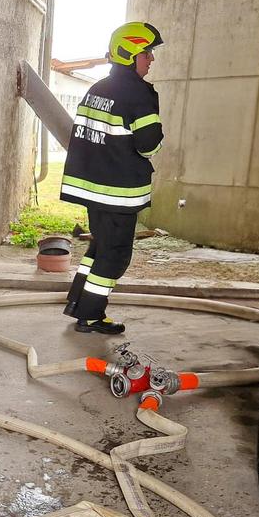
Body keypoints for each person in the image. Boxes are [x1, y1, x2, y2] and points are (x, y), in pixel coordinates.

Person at [61, 22, 164, 335]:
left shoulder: (99, 88)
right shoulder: (137, 93)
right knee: (115, 256)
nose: (151, 59)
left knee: (100, 249)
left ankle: (78, 303)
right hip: (117, 193)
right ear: (131, 54)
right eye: (147, 53)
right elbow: (149, 144)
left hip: (94, 189)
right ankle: (91, 316)